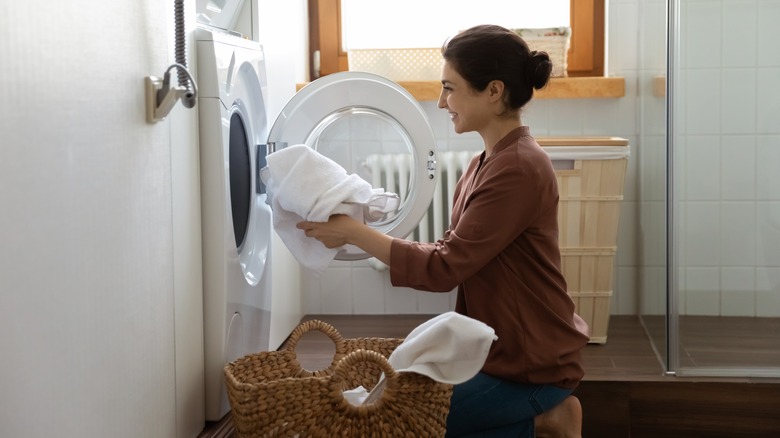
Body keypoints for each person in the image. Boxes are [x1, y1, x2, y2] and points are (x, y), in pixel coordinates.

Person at [297, 24, 588, 437]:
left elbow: (445, 267)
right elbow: (452, 251)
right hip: (502, 350)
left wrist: (352, 232)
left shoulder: (519, 168)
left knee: (401, 420)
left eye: (450, 88)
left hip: (531, 364)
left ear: (493, 91)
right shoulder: (485, 162)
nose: (441, 101)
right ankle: (541, 421)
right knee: (400, 411)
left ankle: (548, 417)